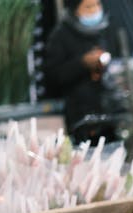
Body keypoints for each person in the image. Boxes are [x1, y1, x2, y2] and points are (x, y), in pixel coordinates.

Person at [44, 0, 117, 143]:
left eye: (97, 5)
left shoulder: (107, 29)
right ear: (76, 10)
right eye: (88, 7)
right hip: (79, 115)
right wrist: (82, 63)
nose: (94, 10)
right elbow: (53, 76)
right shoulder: (61, 36)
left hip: (110, 111)